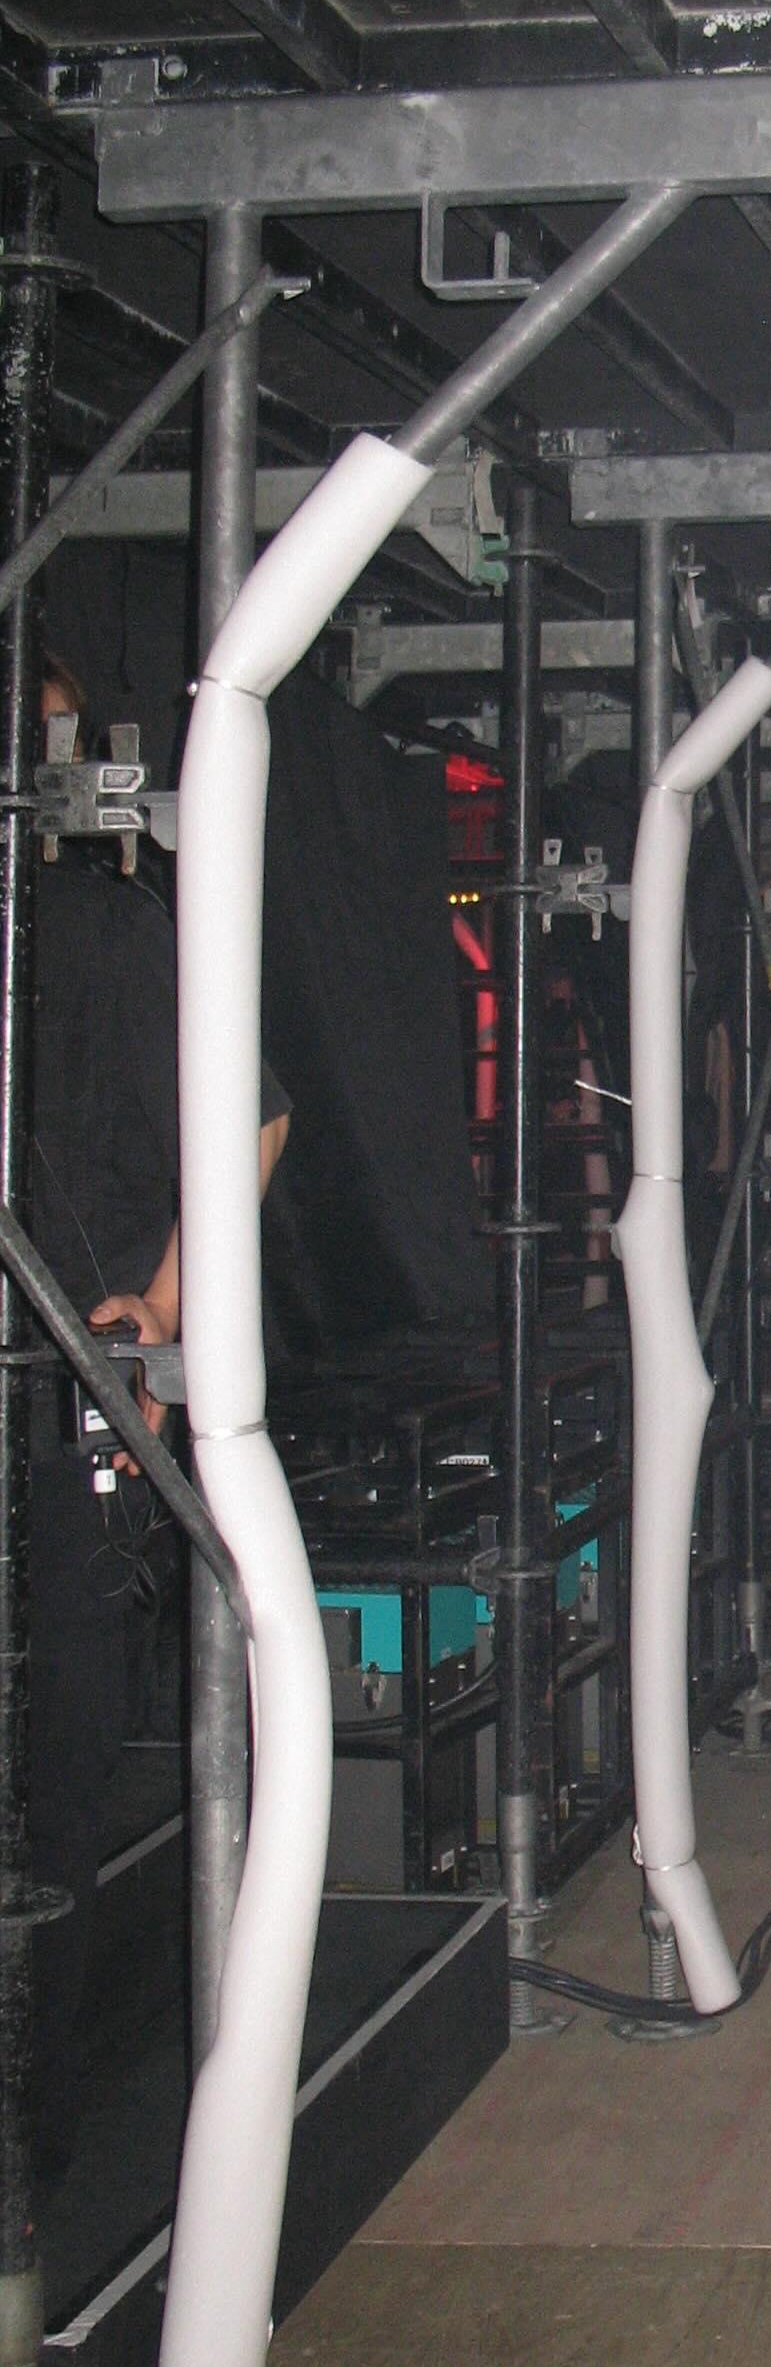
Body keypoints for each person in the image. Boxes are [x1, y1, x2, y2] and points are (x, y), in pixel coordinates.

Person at [25, 661, 288, 2186]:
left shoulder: (101, 935)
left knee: (48, 1780)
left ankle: (29, 2145)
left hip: (61, 1409)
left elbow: (254, 1115)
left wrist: (162, 1310)